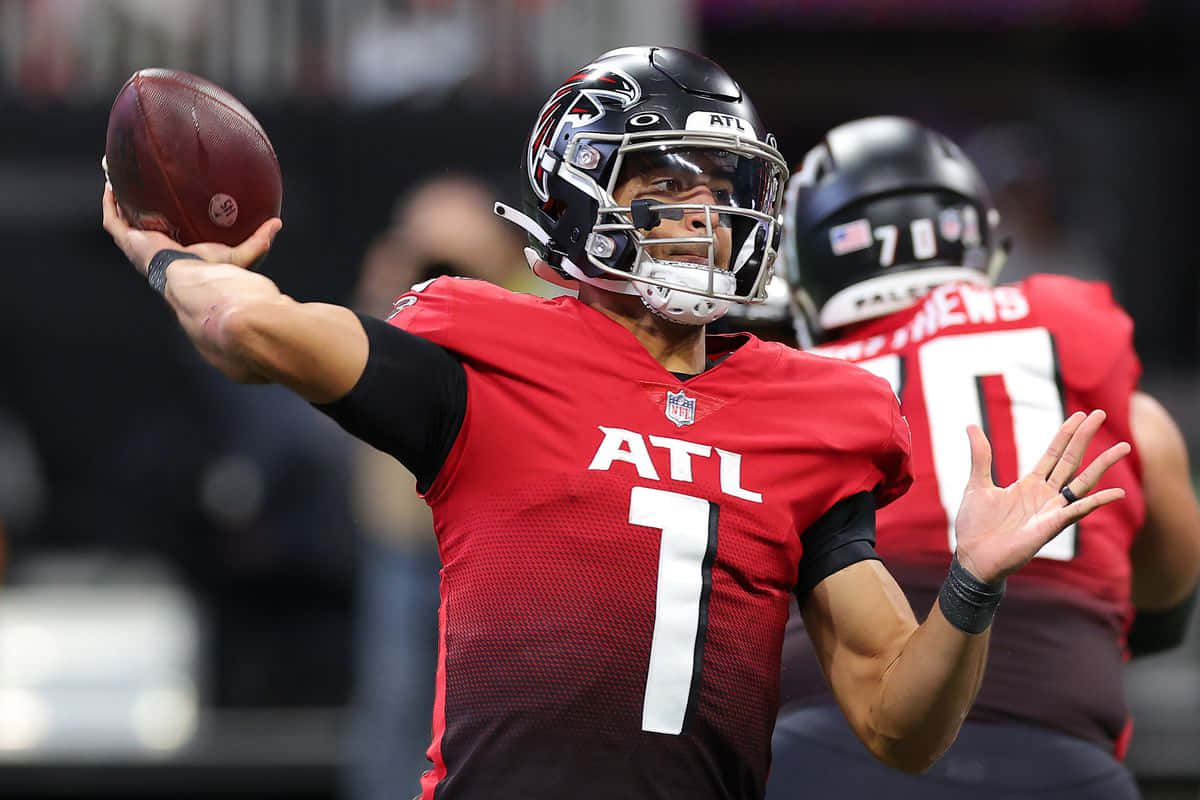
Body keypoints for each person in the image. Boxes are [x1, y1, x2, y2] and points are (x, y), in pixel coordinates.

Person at [102, 48, 1129, 800]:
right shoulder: (485, 347)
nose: (707, 215)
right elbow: (249, 327)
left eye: (725, 187)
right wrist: (173, 259)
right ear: (581, 192)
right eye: (668, 183)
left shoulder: (816, 409)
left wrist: (970, 586)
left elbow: (902, 728)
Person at [766, 116, 1200, 800]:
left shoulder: (785, 388)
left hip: (828, 753)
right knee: (1143, 430)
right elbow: (1164, 608)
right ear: (975, 239)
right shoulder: (1080, 350)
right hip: (1063, 763)